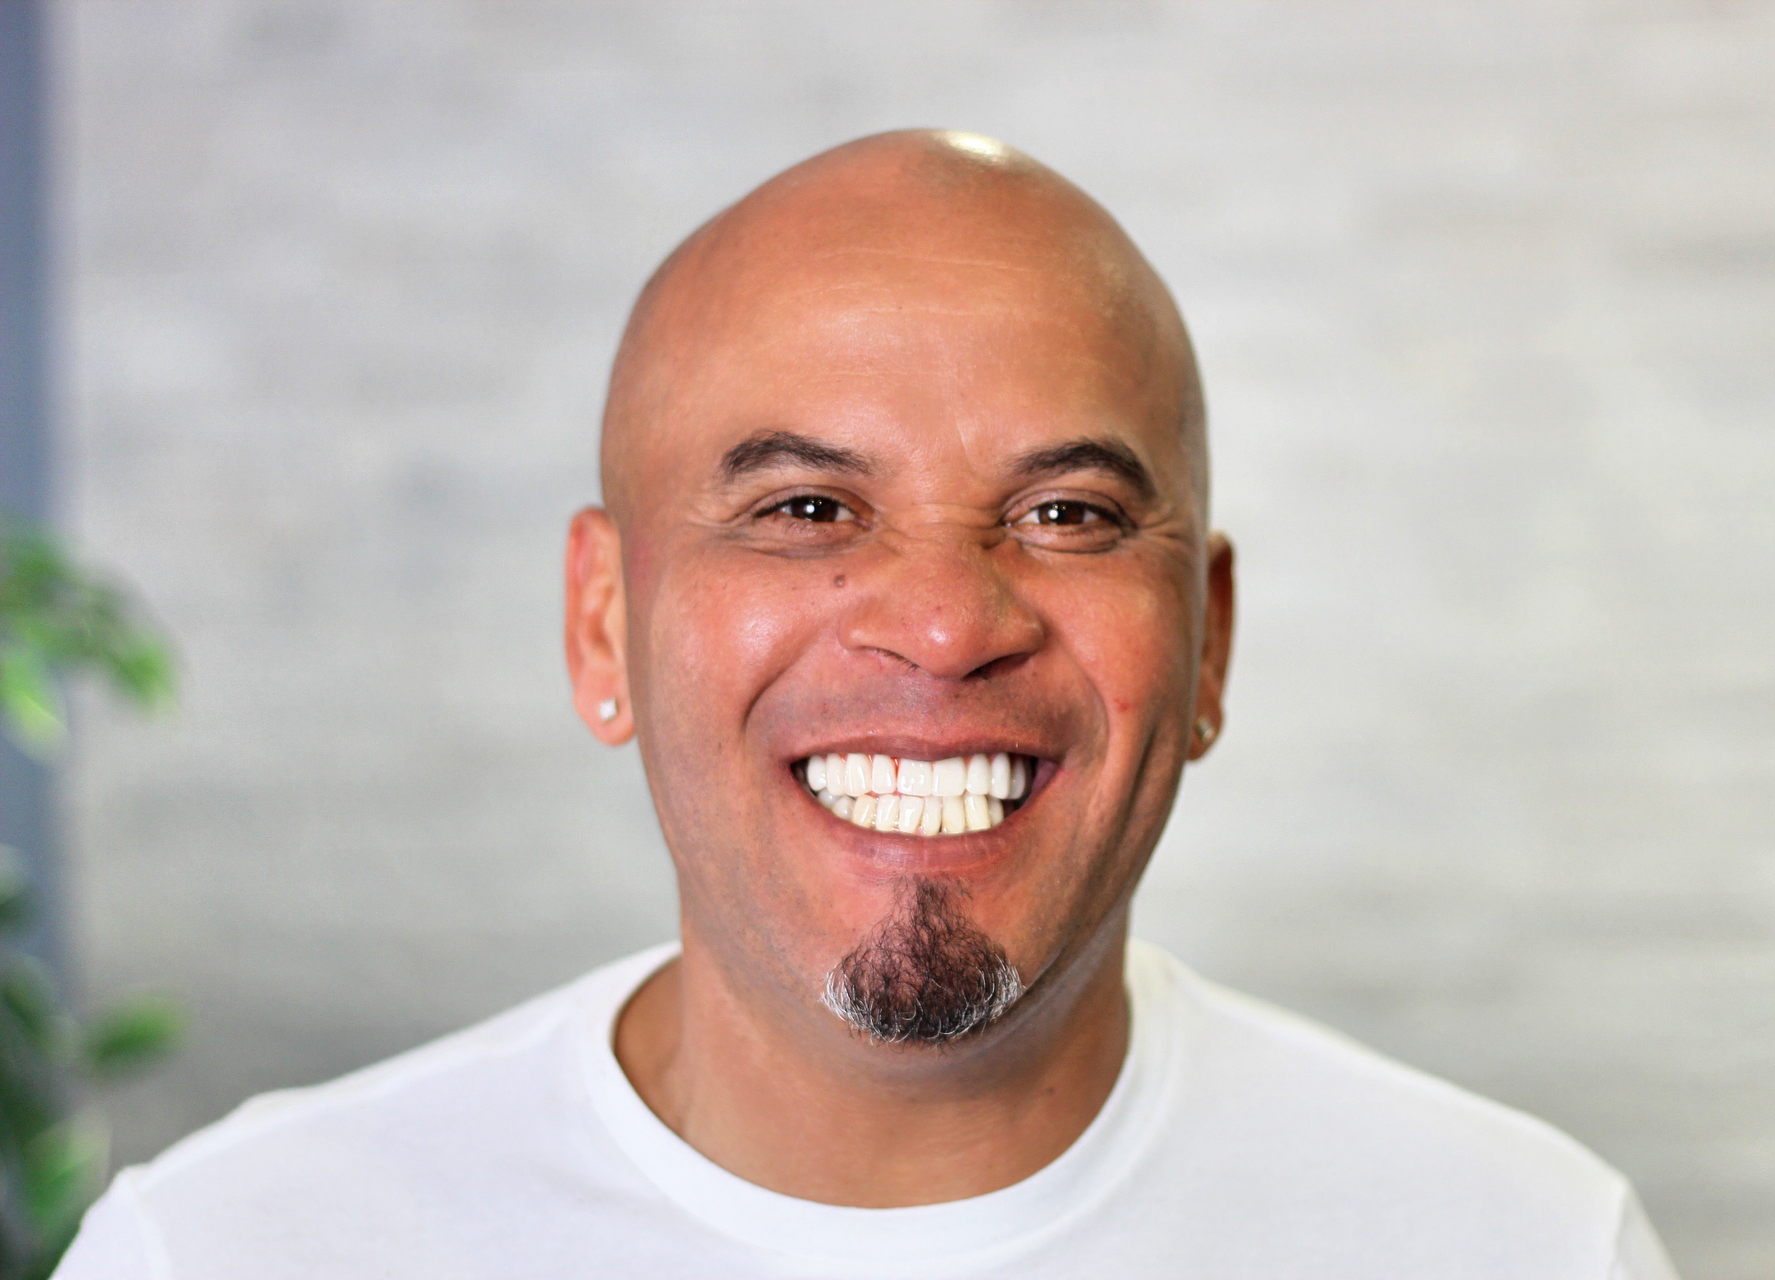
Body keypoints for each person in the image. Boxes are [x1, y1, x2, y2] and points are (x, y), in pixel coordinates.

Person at [57, 130, 1679, 1279]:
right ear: (604, 626)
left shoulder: (1524, 1244)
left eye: (1069, 515)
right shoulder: (228, 1251)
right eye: (808, 510)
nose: (942, 621)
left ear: (1210, 648)